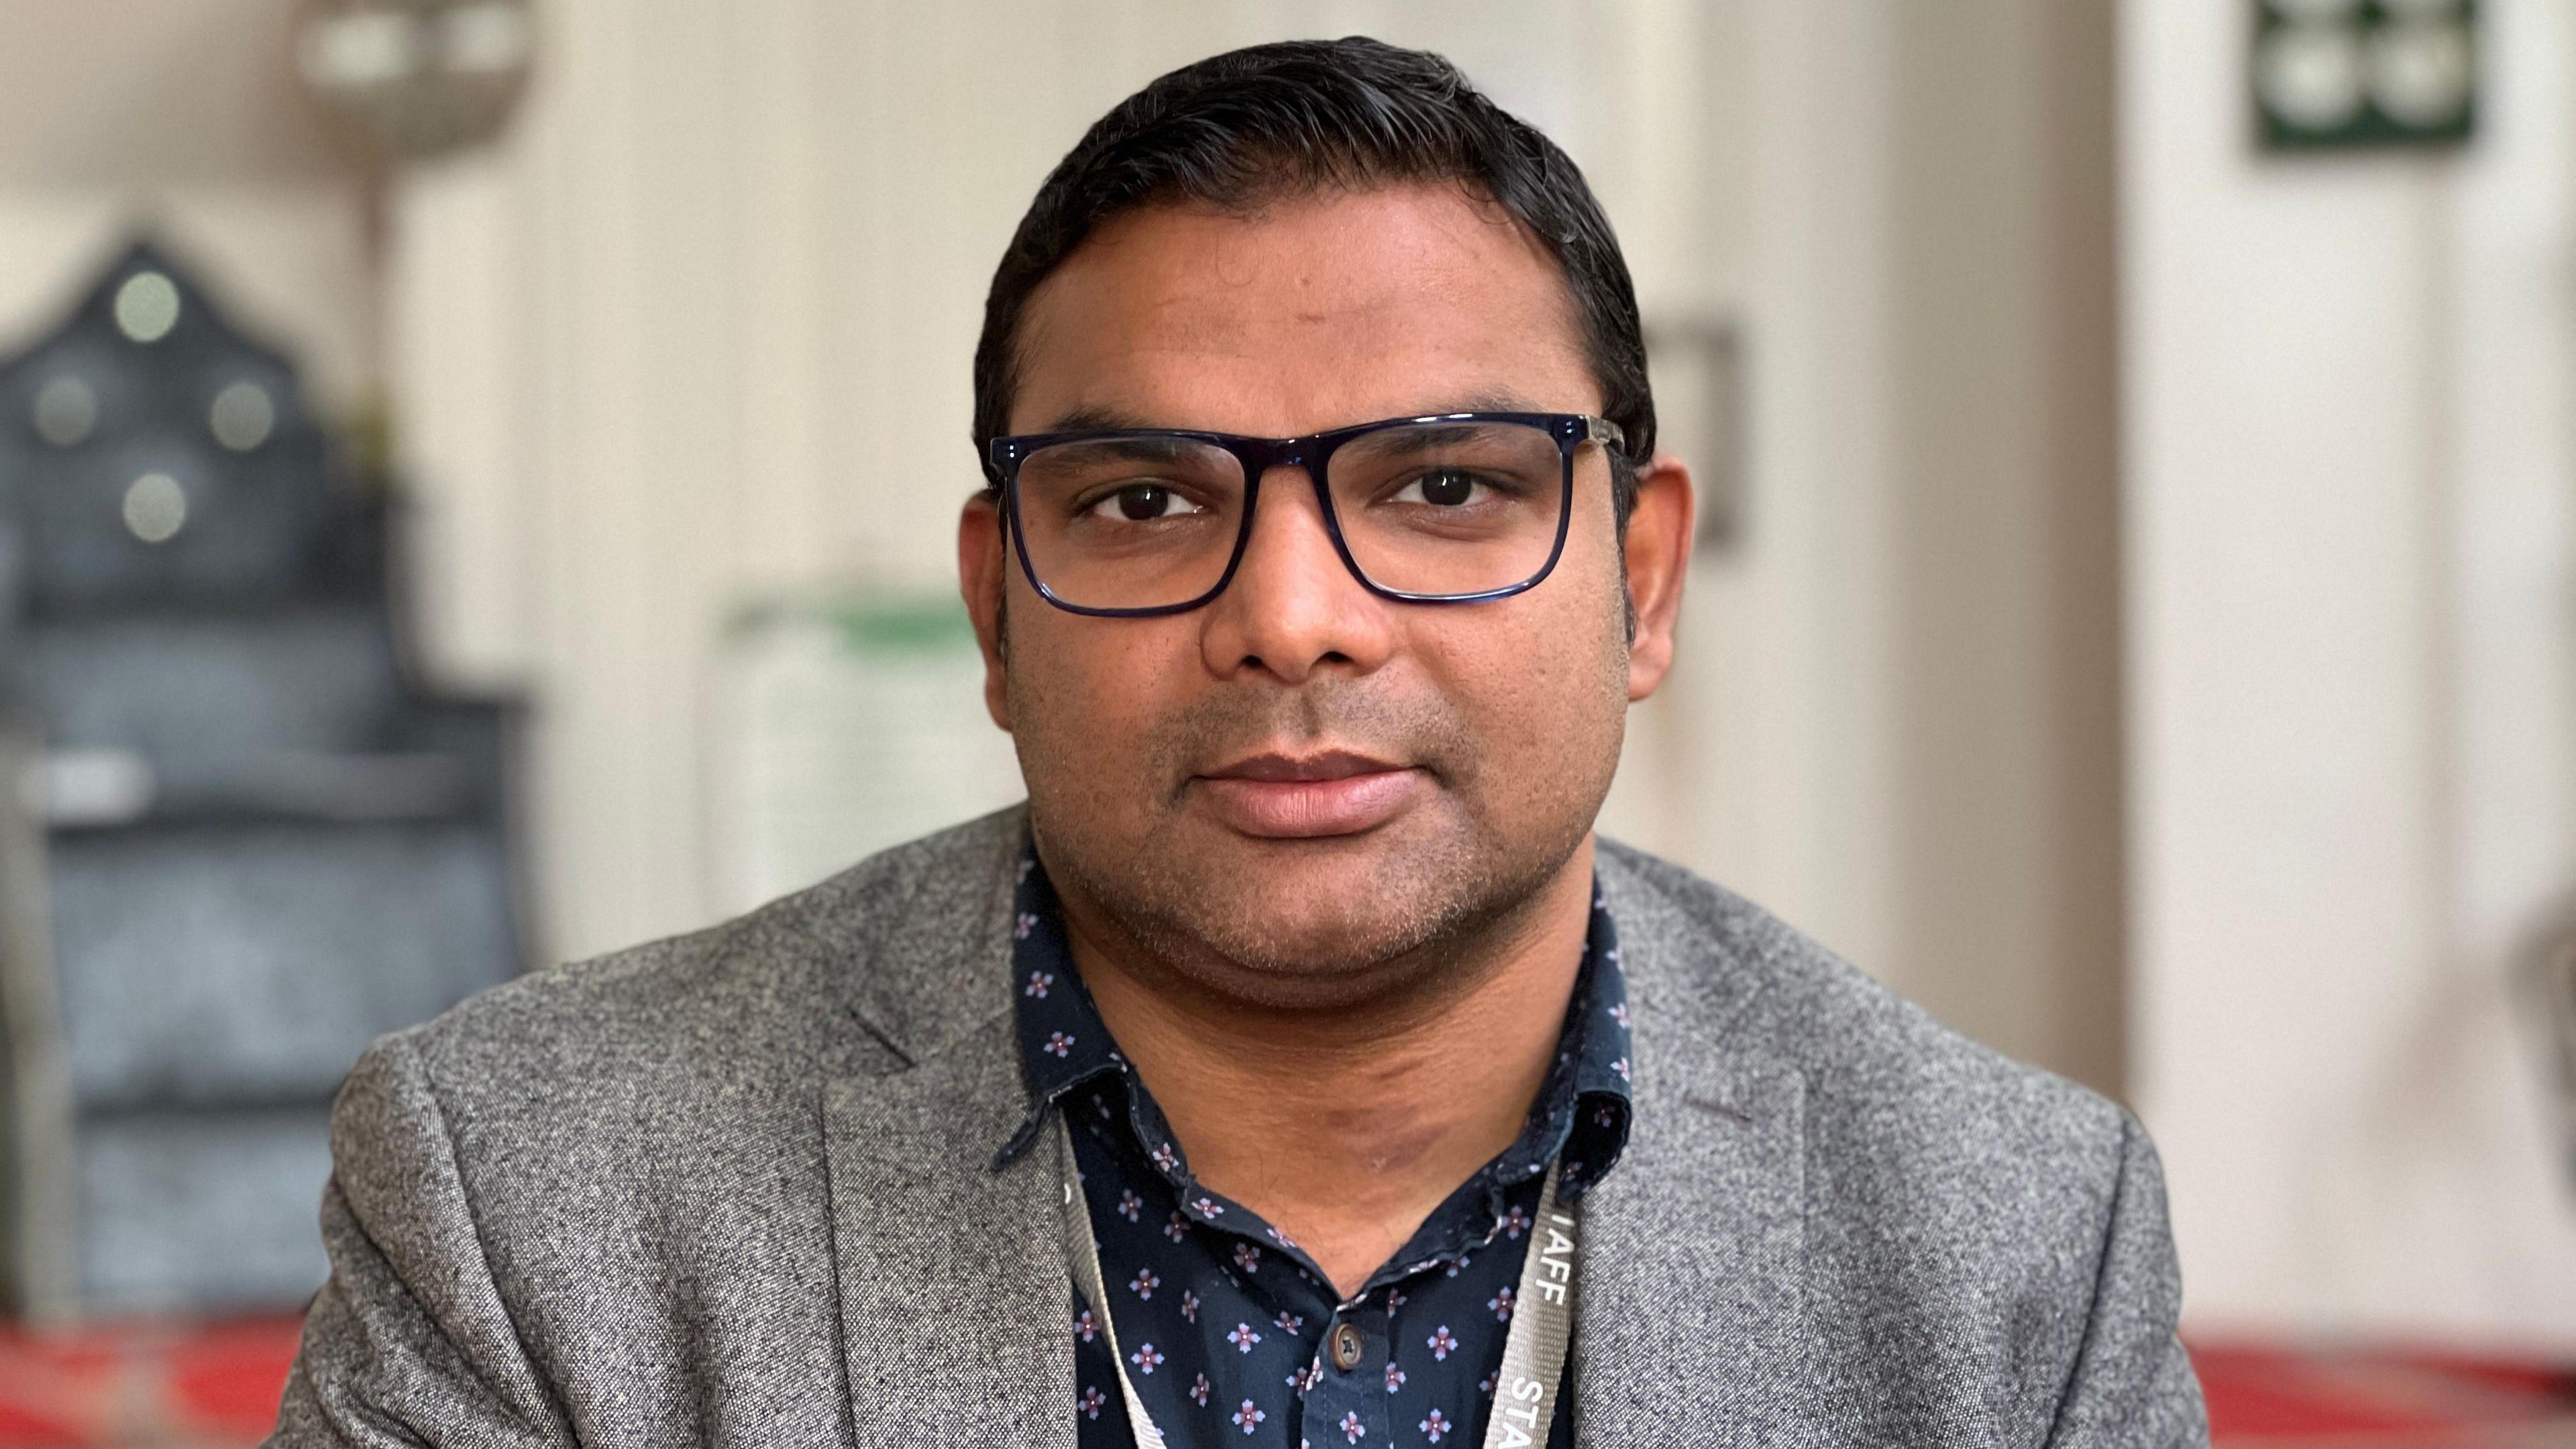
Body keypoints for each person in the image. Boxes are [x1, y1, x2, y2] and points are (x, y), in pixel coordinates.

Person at [269, 36, 2206, 1449]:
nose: (1292, 613)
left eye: (1445, 487)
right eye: (1143, 503)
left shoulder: (2013, 1245)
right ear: (996, 609)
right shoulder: (532, 1196)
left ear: (1645, 577)